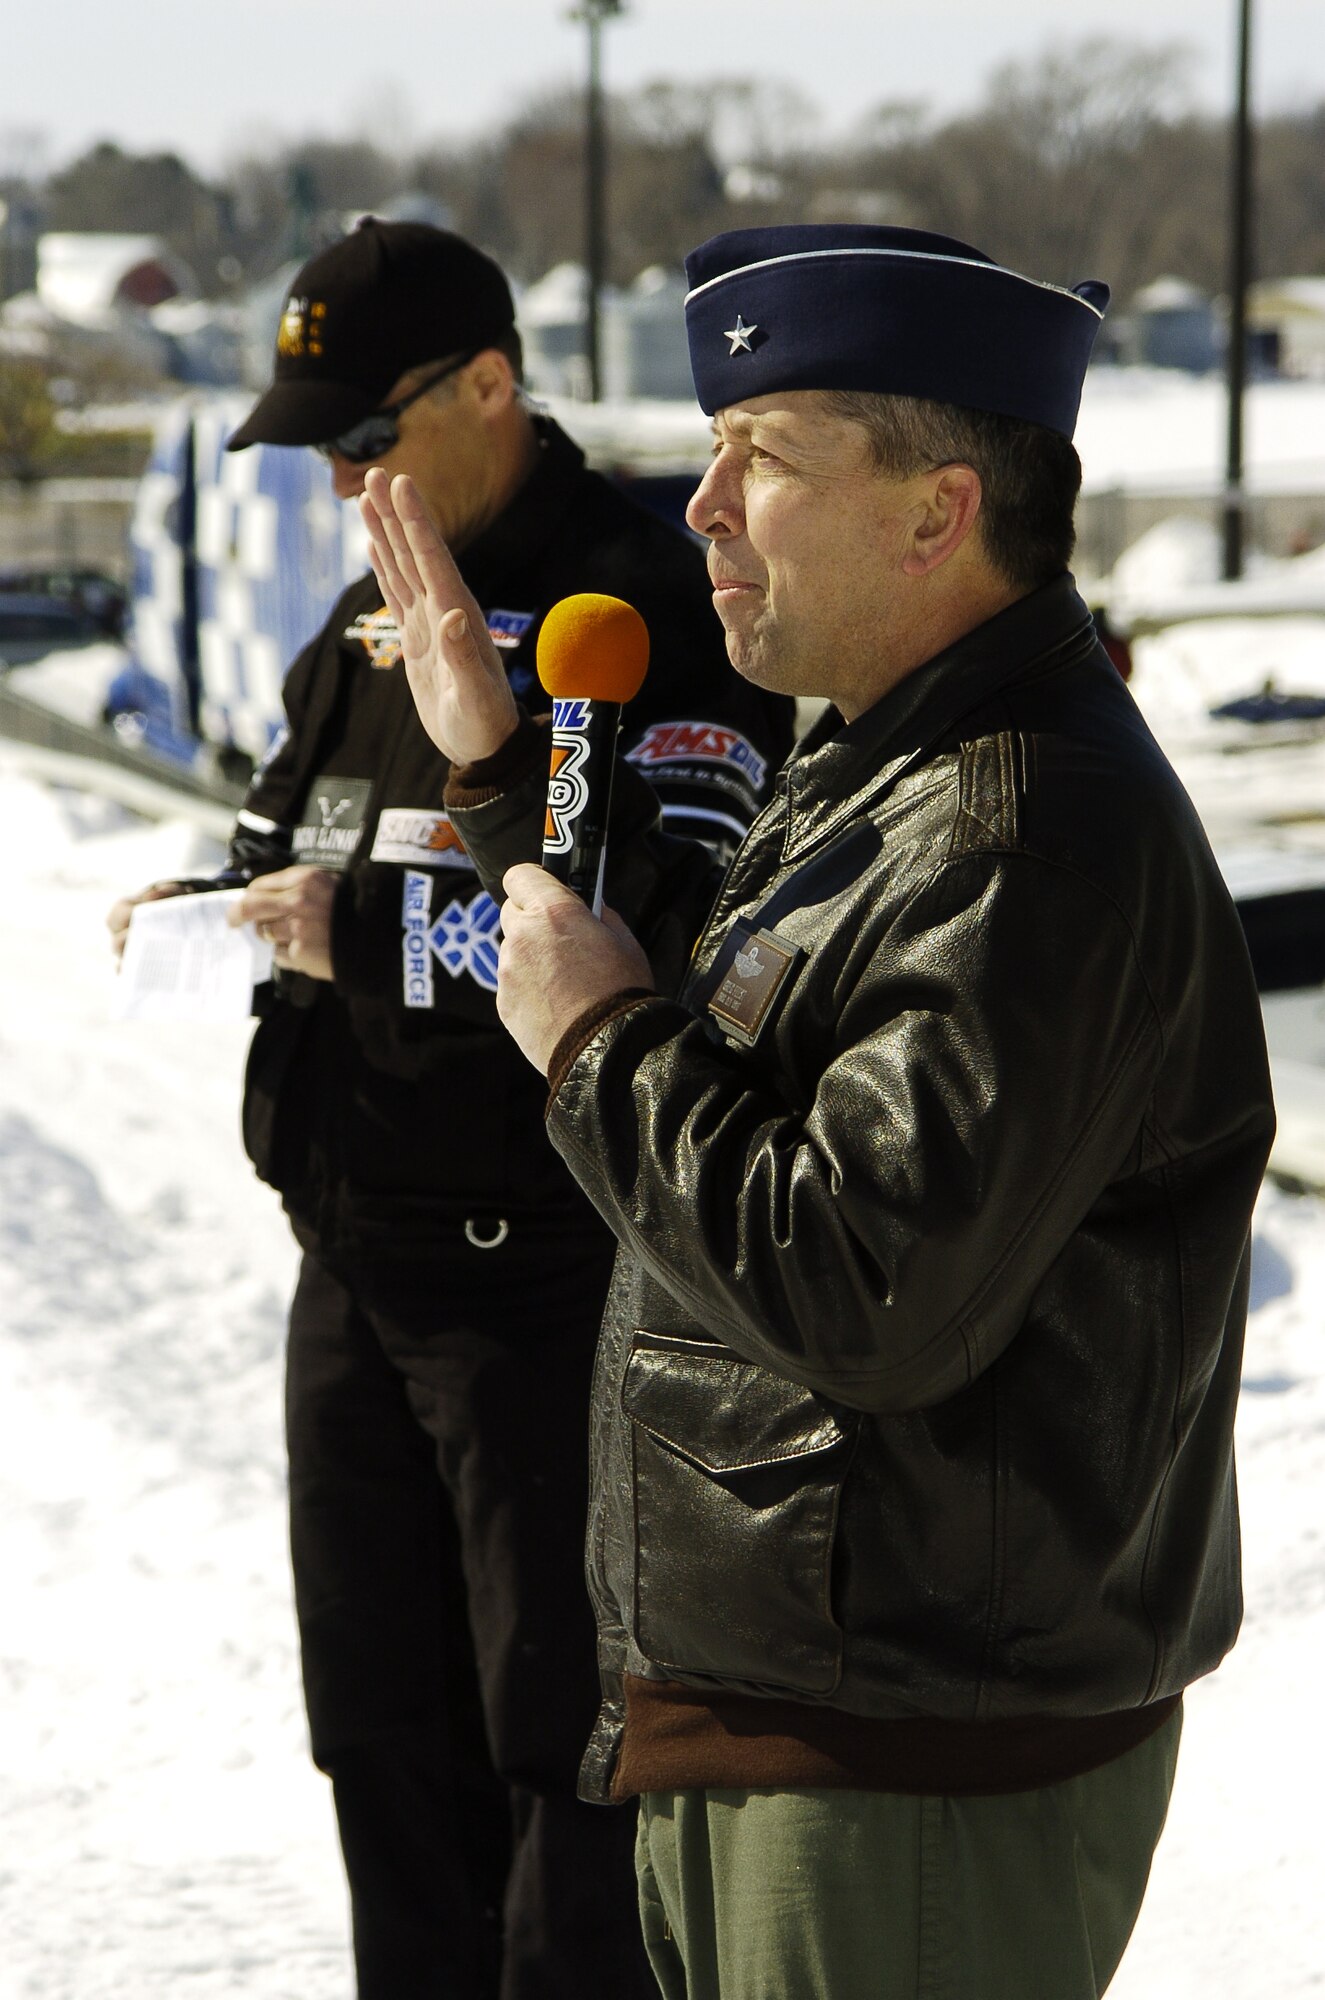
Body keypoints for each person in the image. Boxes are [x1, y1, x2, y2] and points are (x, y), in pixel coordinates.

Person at [362, 221, 1277, 2000]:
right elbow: (726, 1070)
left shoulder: (1017, 830)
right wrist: (494, 784)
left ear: (937, 512)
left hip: (906, 1759)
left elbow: (861, 1280)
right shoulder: (882, 757)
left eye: (760, 456)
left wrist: (596, 1048)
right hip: (809, 1715)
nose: (699, 505)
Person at [106, 218, 794, 2000]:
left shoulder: (636, 608)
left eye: (367, 436)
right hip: (353, 1259)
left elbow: (668, 920)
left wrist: (383, 934)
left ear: (492, 384)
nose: (342, 478)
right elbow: (287, 844)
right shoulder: (359, 616)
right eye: (316, 449)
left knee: (562, 1749)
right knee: (380, 1735)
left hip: (554, 1283)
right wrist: (214, 913)